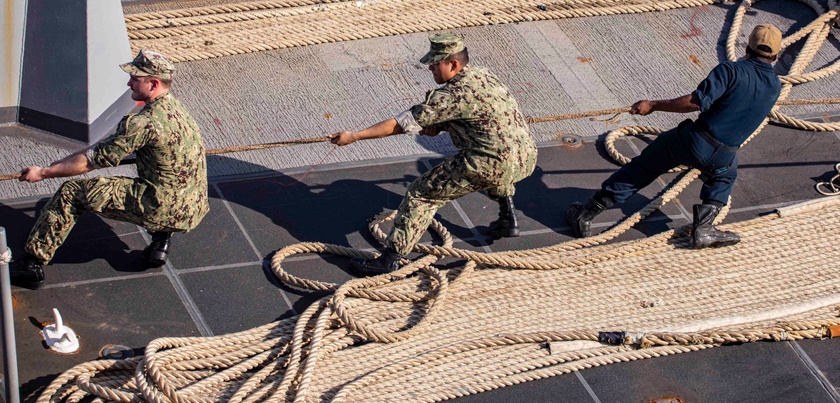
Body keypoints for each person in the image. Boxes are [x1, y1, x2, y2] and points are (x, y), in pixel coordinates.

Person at [329, 33, 537, 275]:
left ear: (454, 64)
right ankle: (507, 216)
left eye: (435, 63)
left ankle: (389, 260)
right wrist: (442, 125)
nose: (430, 68)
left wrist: (353, 136)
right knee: (499, 164)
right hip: (525, 156)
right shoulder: (484, 75)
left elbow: (400, 124)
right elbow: (480, 119)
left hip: (489, 162)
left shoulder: (450, 96)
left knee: (422, 194)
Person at [567, 24, 783, 248]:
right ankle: (705, 228)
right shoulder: (775, 85)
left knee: (644, 168)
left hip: (693, 142)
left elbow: (695, 102)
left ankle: (585, 215)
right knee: (725, 176)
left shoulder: (730, 71)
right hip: (724, 155)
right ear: (776, 55)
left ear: (747, 47)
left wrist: (653, 105)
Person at [10, 50, 209, 290]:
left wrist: (43, 173)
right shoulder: (178, 110)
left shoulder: (143, 123)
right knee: (161, 180)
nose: (129, 82)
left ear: (153, 84)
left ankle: (31, 265)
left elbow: (91, 162)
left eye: (136, 78)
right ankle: (161, 242)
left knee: (72, 192)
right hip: (193, 205)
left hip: (163, 206)